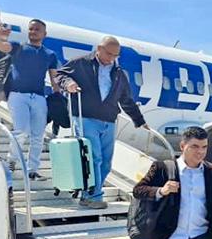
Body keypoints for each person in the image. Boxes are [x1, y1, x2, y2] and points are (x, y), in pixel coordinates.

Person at [56, 35, 148, 209]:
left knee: (106, 162)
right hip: (86, 117)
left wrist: (139, 120)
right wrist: (68, 83)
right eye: (109, 54)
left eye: (115, 55)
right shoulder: (81, 63)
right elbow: (60, 75)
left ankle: (89, 193)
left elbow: (126, 99)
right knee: (94, 157)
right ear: (99, 49)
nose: (111, 58)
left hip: (109, 120)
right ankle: (93, 196)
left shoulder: (119, 73)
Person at [0, 19, 60, 179]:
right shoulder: (18, 47)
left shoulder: (50, 54)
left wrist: (58, 95)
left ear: (44, 34)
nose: (33, 32)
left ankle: (33, 170)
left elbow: (54, 77)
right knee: (21, 131)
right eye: (31, 29)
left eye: (37, 29)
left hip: (39, 97)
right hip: (18, 95)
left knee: (38, 135)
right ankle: (11, 162)